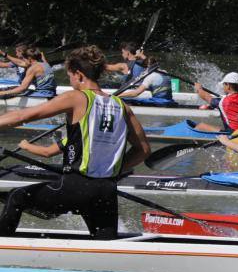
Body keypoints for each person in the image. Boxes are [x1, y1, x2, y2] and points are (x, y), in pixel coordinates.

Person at [0, 46, 150, 239]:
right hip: (106, 189)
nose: (70, 81)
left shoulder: (76, 97)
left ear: (78, 75)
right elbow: (143, 150)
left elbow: (21, 116)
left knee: (16, 197)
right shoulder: (123, 106)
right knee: (106, 244)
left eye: (70, 76)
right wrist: (115, 170)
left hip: (75, 186)